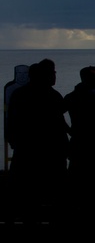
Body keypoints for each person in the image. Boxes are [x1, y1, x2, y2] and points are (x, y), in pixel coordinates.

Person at [7, 59, 69, 187]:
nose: (55, 76)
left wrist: (12, 139)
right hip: (48, 149)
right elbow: (59, 121)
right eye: (53, 73)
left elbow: (12, 120)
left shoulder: (19, 94)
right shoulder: (52, 95)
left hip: (25, 146)